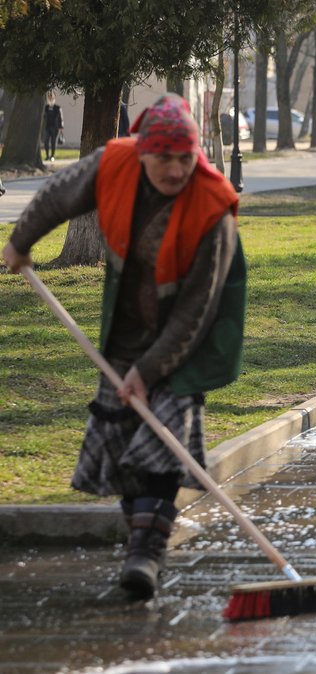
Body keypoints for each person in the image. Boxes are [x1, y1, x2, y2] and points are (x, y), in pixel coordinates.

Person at [2, 93, 246, 601]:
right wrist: (21, 242)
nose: (177, 170)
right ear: (142, 153)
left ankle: (145, 555)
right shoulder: (113, 163)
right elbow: (57, 196)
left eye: (186, 158)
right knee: (121, 442)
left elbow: (195, 313)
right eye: (165, 159)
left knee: (162, 442)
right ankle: (139, 545)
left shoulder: (212, 207)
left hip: (191, 336)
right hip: (126, 327)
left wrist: (151, 369)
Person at [42, 91, 64, 162]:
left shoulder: (57, 108)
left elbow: (61, 118)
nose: (50, 98)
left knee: (53, 142)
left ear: (54, 98)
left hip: (55, 128)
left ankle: (52, 156)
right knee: (46, 141)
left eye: (52, 97)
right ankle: (47, 156)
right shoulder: (46, 107)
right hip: (47, 127)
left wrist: (61, 127)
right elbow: (44, 117)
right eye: (49, 97)